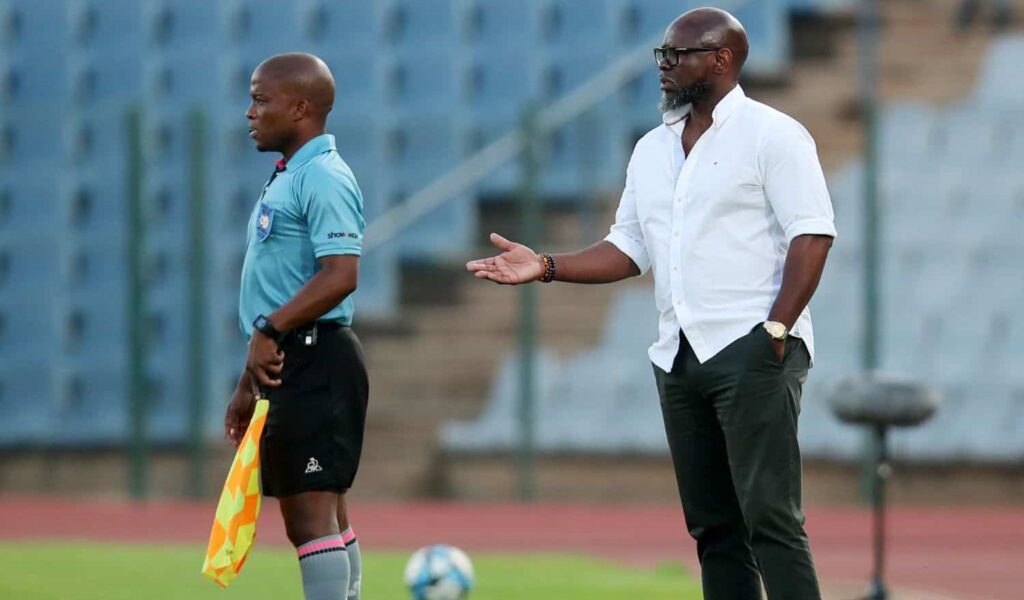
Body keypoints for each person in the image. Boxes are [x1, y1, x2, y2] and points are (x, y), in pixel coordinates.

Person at [467, 8, 835, 600]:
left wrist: (778, 327)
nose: (663, 66)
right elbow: (629, 247)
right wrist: (548, 266)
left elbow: (812, 233)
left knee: (771, 520)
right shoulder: (651, 148)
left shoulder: (774, 134)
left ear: (721, 60)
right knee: (715, 529)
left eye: (678, 54)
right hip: (679, 355)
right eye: (661, 54)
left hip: (753, 347)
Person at [224, 52, 368, 600]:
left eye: (262, 99)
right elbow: (281, 284)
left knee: (310, 518)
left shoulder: (325, 177)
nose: (249, 112)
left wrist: (268, 328)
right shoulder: (290, 174)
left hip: (316, 357)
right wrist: (248, 378)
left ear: (301, 108)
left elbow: (341, 275)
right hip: (293, 357)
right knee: (321, 512)